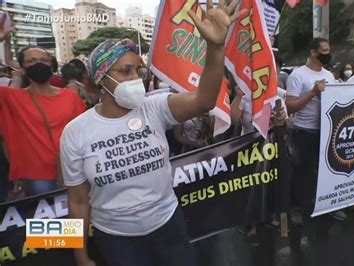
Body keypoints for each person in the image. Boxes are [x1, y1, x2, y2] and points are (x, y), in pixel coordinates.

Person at [60, 2, 244, 266]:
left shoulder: (154, 107)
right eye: (126, 71)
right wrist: (81, 257)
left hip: (168, 227)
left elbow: (204, 100)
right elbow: (77, 202)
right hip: (116, 241)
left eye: (139, 70)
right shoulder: (76, 132)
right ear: (100, 79)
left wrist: (215, 47)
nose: (137, 78)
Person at [0, 46, 86, 197]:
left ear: (51, 65)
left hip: (74, 170)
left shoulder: (70, 97)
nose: (38, 64)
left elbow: (85, 132)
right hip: (37, 175)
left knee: (79, 216)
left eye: (43, 60)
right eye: (31, 61)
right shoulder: (13, 97)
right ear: (22, 67)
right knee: (49, 219)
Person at [285, 37, 346, 222]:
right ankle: (296, 208)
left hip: (326, 131)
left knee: (326, 170)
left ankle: (326, 204)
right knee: (301, 171)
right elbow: (290, 107)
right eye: (325, 50)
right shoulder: (298, 75)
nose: (328, 54)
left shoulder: (329, 75)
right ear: (314, 52)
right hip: (303, 131)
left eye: (329, 50)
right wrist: (312, 93)